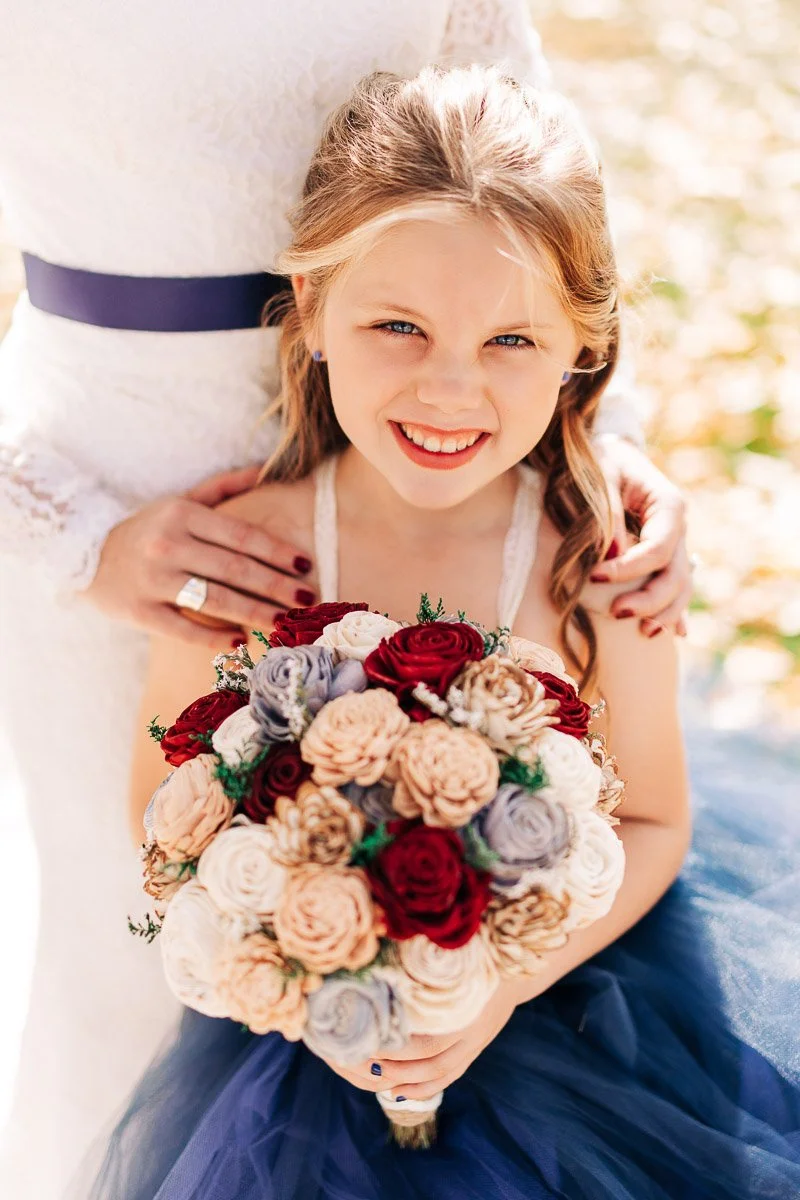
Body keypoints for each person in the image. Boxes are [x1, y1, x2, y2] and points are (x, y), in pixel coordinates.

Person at [0, 5, 690, 1195]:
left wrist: (489, 989)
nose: (451, 386)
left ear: (579, 346)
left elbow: (653, 819)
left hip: (564, 1032)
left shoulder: (584, 557)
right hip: (287, 1079)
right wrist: (308, 958)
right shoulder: (254, 561)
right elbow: (167, 815)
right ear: (310, 313)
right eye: (398, 328)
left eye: (513, 341)